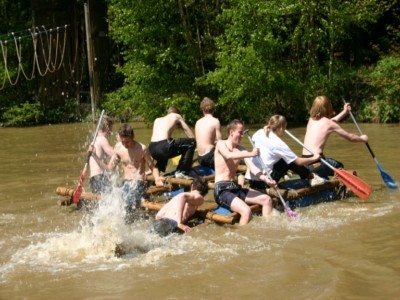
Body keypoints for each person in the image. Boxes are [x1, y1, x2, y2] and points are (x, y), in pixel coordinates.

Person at [214, 119, 277, 225]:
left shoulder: (242, 149)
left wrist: (266, 180)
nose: (242, 136)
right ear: (231, 132)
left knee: (267, 200)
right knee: (246, 211)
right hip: (222, 189)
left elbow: (253, 168)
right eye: (240, 132)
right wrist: (251, 154)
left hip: (234, 187)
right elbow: (228, 156)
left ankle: (267, 229)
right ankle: (241, 238)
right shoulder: (221, 144)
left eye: (243, 133)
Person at [106, 124, 164, 222]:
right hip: (125, 183)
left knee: (128, 203)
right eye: (123, 142)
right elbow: (109, 168)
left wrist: (157, 178)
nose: (125, 144)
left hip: (138, 182)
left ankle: (128, 226)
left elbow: (153, 168)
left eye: (127, 142)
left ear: (133, 137)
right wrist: (94, 155)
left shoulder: (142, 149)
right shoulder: (119, 149)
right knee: (114, 202)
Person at [247, 115, 323, 188]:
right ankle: (310, 176)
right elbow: (298, 162)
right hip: (265, 182)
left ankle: (286, 174)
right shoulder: (279, 144)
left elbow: (257, 142)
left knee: (283, 157)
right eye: (285, 128)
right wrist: (315, 158)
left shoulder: (258, 132)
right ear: (280, 129)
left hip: (252, 179)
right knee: (289, 160)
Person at [302, 96, 368, 177]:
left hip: (305, 162)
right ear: (328, 108)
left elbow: (331, 121)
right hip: (317, 162)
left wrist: (344, 112)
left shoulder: (311, 120)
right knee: (339, 165)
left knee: (326, 166)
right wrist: (362, 138)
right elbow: (350, 137)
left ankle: (322, 180)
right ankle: (336, 187)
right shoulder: (329, 124)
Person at [149, 106, 196, 178]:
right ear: (176, 113)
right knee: (191, 143)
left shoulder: (157, 120)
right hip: (163, 147)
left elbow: (160, 141)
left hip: (151, 148)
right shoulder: (177, 116)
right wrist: (195, 144)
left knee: (166, 146)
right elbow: (190, 135)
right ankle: (183, 171)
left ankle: (157, 171)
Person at [88, 115, 115, 193]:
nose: (111, 132)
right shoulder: (102, 140)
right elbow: (115, 155)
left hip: (93, 180)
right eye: (111, 128)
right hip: (100, 178)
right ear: (107, 127)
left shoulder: (94, 140)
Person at [195, 97, 222, 169]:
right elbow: (220, 142)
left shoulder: (198, 122)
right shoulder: (215, 121)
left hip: (200, 158)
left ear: (202, 109)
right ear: (213, 109)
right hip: (210, 157)